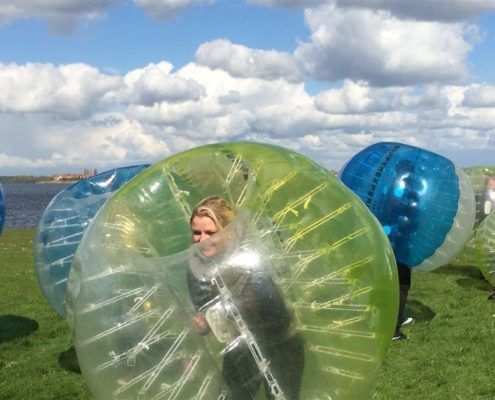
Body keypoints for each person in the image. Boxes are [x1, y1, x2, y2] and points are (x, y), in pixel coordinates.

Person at [187, 196, 304, 400]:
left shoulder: (253, 259)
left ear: (229, 232)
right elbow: (205, 308)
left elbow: (276, 316)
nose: (201, 239)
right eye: (196, 232)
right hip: (239, 346)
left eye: (210, 232)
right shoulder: (196, 266)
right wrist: (203, 324)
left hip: (282, 341)